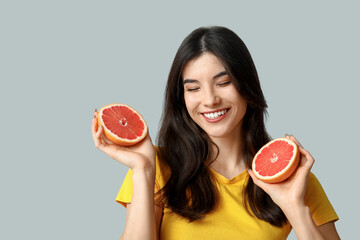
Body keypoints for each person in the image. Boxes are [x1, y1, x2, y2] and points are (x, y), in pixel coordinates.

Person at [91, 26, 340, 240]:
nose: (210, 100)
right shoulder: (156, 167)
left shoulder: (289, 174)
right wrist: (144, 170)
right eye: (193, 88)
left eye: (224, 83)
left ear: (247, 85)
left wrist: (294, 208)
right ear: (182, 98)